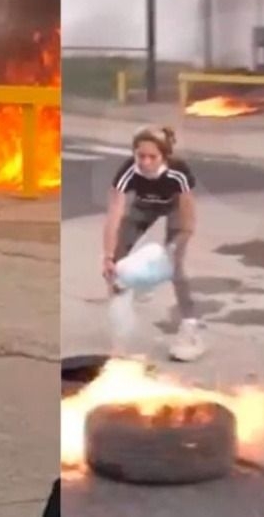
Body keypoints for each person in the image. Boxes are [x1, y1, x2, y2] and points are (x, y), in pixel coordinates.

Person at [101, 125, 204, 362]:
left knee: (174, 266)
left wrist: (177, 243)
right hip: (144, 206)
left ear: (164, 156)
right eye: (140, 156)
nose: (145, 162)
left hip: (175, 207)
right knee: (115, 267)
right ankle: (120, 335)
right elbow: (114, 216)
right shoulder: (128, 171)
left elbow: (188, 217)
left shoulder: (178, 171)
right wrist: (108, 256)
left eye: (152, 157)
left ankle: (191, 330)